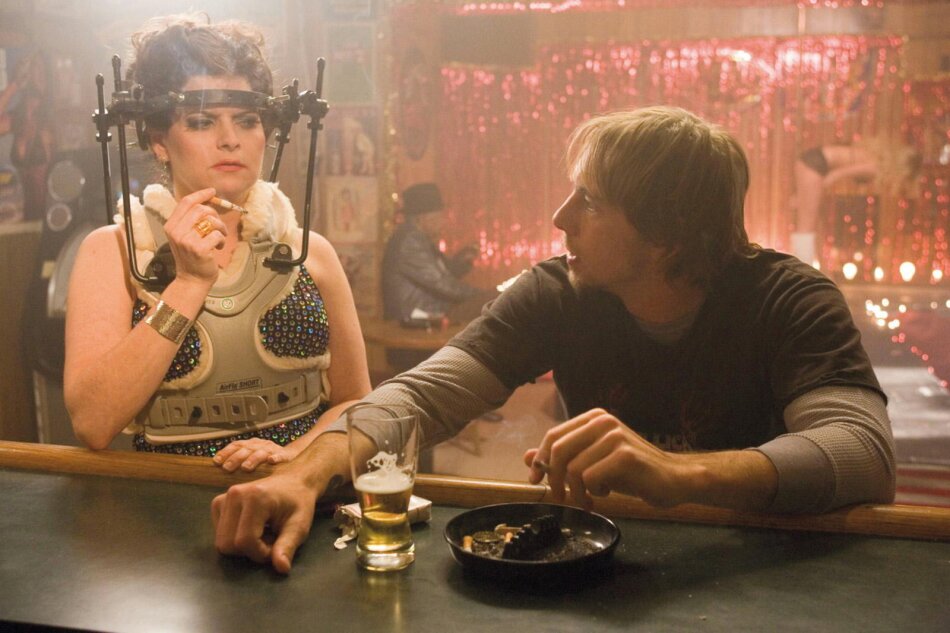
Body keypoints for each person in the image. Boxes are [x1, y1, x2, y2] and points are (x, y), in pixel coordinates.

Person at [212, 106, 895, 573]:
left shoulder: (789, 299)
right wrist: (302, 474)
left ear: (666, 234)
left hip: (757, 565)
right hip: (602, 559)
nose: (560, 217)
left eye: (590, 201)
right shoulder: (560, 290)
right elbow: (420, 396)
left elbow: (863, 452)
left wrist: (674, 474)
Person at [63, 13, 370, 471]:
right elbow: (93, 422)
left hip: (300, 490)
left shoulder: (309, 252)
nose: (230, 140)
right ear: (159, 141)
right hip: (170, 499)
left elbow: (357, 403)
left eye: (246, 121)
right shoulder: (117, 252)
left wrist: (294, 454)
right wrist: (188, 284)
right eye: (202, 122)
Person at [790, 138, 921, 266]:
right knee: (806, 226)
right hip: (816, 166)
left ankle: (802, 266)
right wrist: (814, 190)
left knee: (807, 226)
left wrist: (808, 193)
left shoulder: (873, 158)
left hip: (814, 161)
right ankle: (802, 269)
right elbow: (837, 174)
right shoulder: (875, 167)